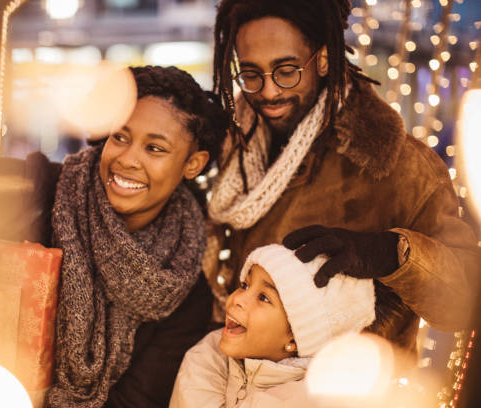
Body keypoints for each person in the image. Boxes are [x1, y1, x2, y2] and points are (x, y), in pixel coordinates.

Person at [0, 65, 229, 408]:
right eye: (120, 137)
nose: (128, 159)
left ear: (193, 163)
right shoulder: (41, 190)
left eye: (155, 148)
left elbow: (135, 402)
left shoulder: (184, 291)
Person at [204, 0, 481, 355]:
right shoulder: (230, 144)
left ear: (322, 59)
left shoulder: (398, 163)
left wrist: (390, 254)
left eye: (286, 70)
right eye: (252, 74)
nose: (269, 91)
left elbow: (465, 301)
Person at [170, 244, 376, 407]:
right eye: (245, 285)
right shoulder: (209, 353)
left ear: (296, 337)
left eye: (263, 298)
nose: (237, 299)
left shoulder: (309, 398)